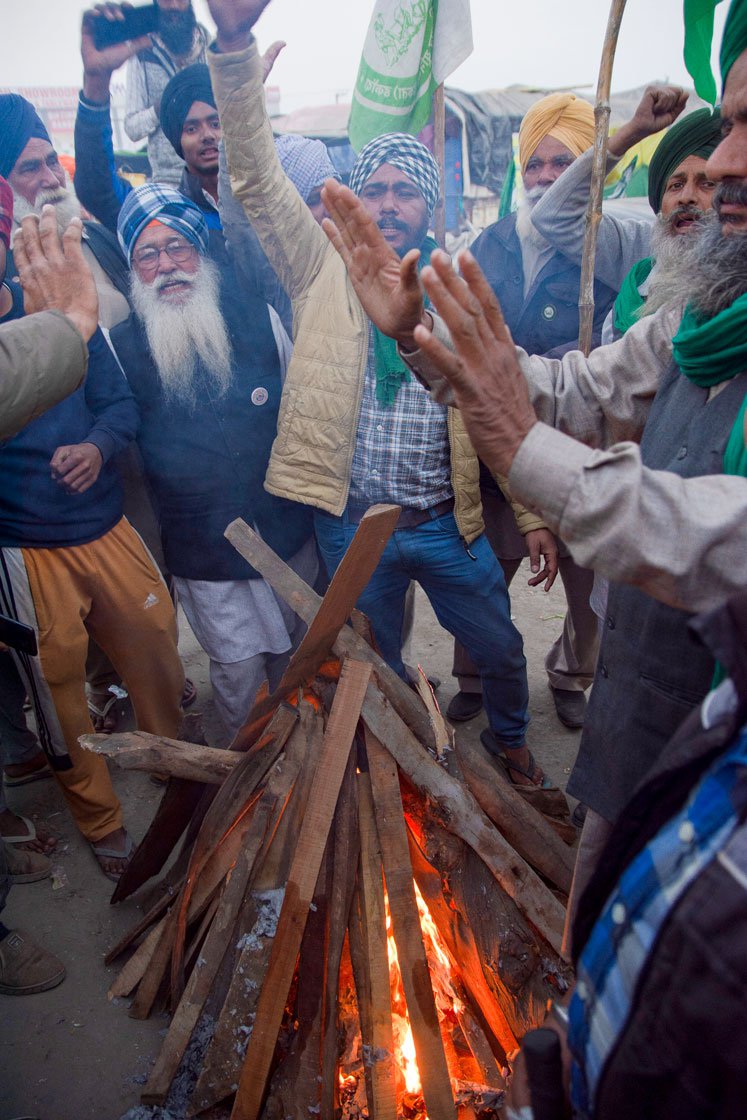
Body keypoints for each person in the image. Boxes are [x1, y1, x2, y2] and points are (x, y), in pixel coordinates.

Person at [205, 0, 557, 789]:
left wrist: (530, 515)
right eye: (378, 189)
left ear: (430, 206)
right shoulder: (318, 268)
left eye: (407, 191)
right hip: (352, 524)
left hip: (446, 525)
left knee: (499, 648)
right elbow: (256, 183)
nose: (391, 203)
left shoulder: (456, 289)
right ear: (355, 201)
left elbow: (496, 409)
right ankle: (395, 763)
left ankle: (510, 745)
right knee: (372, 655)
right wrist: (234, 65)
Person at [0, 218, 185, 879]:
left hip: (105, 526)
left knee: (156, 638)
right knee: (58, 692)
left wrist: (97, 447)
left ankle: (171, 760)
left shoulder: (59, 316)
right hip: (24, 549)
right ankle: (101, 820)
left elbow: (121, 407)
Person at [109, 184, 316, 747]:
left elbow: (301, 417)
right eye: (147, 255)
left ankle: (295, 760)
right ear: (133, 269)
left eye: (177, 247)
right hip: (203, 550)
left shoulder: (258, 316)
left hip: (285, 531)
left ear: (200, 253)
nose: (167, 266)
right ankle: (234, 777)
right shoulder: (120, 348)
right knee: (236, 673)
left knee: (295, 662)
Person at [448, 93, 604, 732]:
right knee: (485, 578)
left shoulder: (608, 247)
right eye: (536, 164)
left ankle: (571, 673)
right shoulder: (492, 244)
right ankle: (474, 675)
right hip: (502, 453)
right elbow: (468, 335)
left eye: (562, 163)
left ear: (591, 173)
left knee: (588, 590)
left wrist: (583, 359)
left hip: (585, 450)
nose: (546, 178)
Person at [530, 87, 721, 340]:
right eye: (675, 185)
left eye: (706, 183)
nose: (686, 196)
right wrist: (633, 132)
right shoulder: (644, 248)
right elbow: (552, 216)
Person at [124, 0, 210, 186]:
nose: (174, 6)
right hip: (168, 182)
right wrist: (161, 108)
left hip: (212, 175)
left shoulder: (207, 43)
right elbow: (132, 128)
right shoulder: (142, 52)